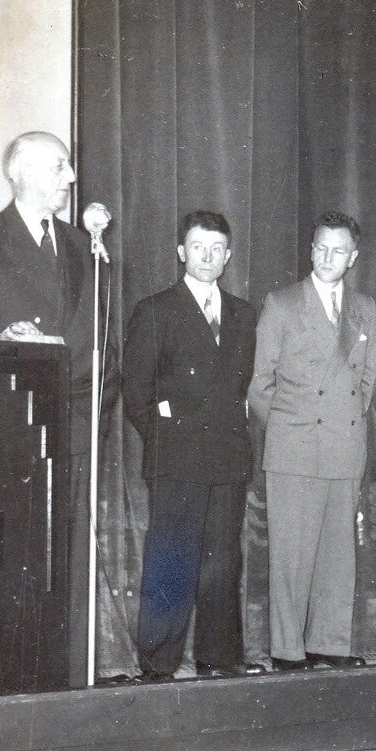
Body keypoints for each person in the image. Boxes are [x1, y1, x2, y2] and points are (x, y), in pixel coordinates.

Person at [0, 130, 112, 683]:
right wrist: (0, 339)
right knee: (12, 556)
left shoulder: (85, 247)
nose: (71, 177)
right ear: (23, 172)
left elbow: (103, 341)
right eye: (60, 166)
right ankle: (7, 680)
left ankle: (69, 678)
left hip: (75, 425)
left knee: (69, 561)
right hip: (11, 424)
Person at [121, 211, 261, 681]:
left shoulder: (244, 314)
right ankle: (159, 663)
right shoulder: (156, 310)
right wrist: (169, 439)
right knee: (171, 561)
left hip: (227, 458)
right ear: (181, 252)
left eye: (217, 248)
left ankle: (218, 658)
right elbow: (137, 394)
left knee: (222, 562)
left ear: (228, 256)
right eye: (198, 246)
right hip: (177, 458)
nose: (207, 256)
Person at [247, 211, 376, 671]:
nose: (327, 257)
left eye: (338, 250)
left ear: (353, 257)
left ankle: (330, 643)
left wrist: (342, 422)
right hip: (295, 449)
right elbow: (260, 385)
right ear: (311, 250)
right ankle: (287, 649)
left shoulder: (364, 307)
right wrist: (292, 427)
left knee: (338, 556)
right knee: (291, 556)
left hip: (344, 446)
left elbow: (368, 381)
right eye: (321, 248)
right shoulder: (282, 304)